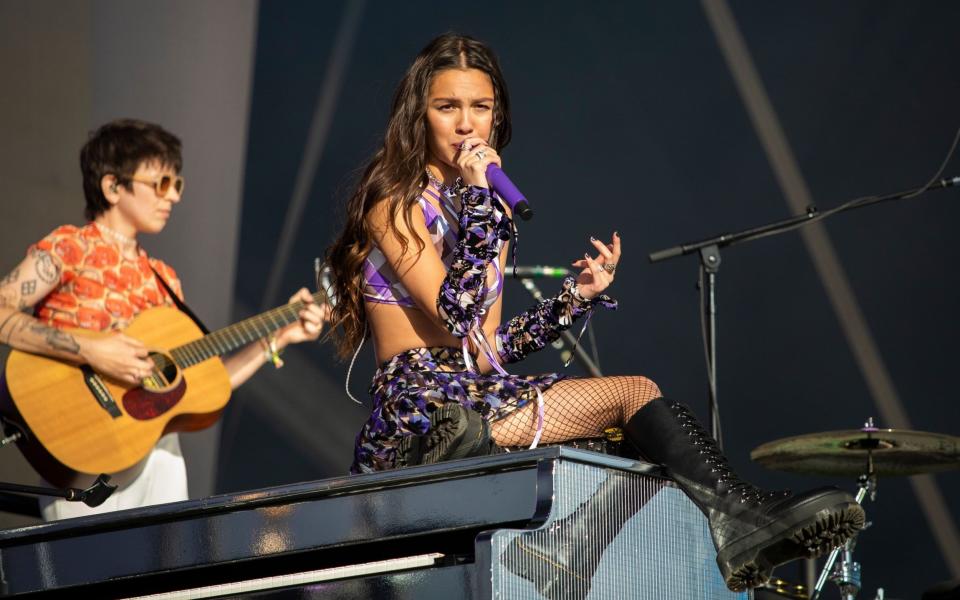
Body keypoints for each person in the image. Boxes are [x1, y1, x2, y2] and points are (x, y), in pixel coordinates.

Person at [325, 34, 864, 591]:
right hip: (421, 408)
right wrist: (485, 201)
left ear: (496, 116)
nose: (467, 125)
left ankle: (572, 553)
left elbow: (483, 353)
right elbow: (456, 315)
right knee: (634, 394)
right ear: (420, 116)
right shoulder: (393, 205)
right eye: (448, 107)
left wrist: (570, 300)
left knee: (632, 433)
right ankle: (739, 516)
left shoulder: (487, 216)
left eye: (480, 107)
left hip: (473, 394)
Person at [0, 119, 327, 520]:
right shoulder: (70, 247)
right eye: (161, 183)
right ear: (112, 187)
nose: (172, 196)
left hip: (152, 453)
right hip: (76, 445)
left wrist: (281, 336)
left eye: (177, 185)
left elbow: (204, 386)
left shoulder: (164, 279)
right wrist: (92, 349)